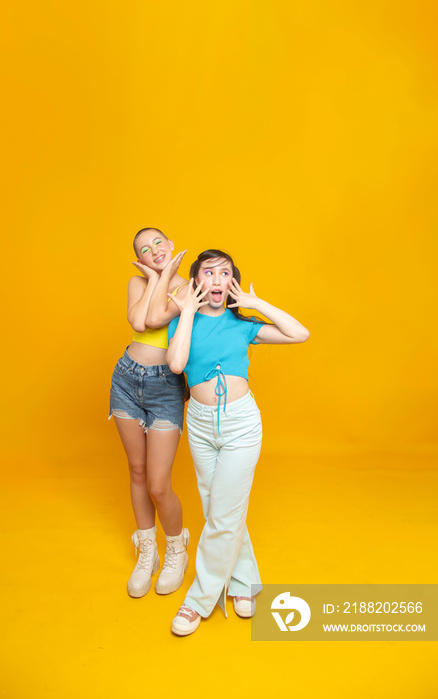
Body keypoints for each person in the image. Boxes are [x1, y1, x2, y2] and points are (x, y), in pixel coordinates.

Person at [165, 249, 310, 635]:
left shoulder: (242, 324)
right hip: (198, 423)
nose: (215, 279)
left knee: (224, 512)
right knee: (219, 508)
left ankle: (198, 601)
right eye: (207, 273)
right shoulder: (182, 323)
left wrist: (254, 302)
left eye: (224, 273)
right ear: (196, 282)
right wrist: (188, 313)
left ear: (231, 283)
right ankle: (244, 582)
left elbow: (300, 333)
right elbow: (177, 365)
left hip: (241, 424)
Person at [109, 227, 190, 598]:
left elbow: (156, 320)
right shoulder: (136, 282)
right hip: (127, 379)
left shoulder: (189, 287)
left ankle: (176, 548)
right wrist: (156, 276)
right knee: (137, 471)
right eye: (145, 250)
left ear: (171, 245)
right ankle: (148, 551)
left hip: (165, 389)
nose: (154, 250)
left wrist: (162, 278)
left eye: (159, 243)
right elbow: (137, 323)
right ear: (139, 260)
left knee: (159, 484)